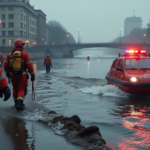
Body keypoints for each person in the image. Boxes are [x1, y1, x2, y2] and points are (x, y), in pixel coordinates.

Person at [4, 39, 35, 111]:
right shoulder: (24, 54)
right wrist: (32, 75)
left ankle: (16, 103)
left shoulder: (9, 54)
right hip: (22, 75)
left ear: (15, 45)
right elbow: (29, 66)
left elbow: (5, 65)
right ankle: (19, 104)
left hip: (12, 75)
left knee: (15, 89)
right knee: (22, 89)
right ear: (22, 45)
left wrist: (7, 73)